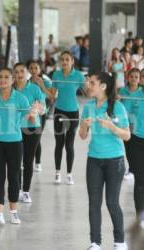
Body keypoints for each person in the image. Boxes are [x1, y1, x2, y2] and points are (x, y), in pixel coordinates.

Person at [79, 72, 130, 250]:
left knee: (112, 202)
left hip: (114, 161)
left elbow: (127, 135)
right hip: (94, 160)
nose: (88, 85)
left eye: (92, 82)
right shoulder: (88, 107)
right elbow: (83, 136)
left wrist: (111, 126)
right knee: (94, 203)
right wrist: (84, 125)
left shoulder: (118, 107)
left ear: (103, 86)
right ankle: (95, 242)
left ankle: (120, 241)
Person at [0, 68, 35, 224]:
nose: (3, 79)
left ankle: (13, 212)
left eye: (7, 77)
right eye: (1, 76)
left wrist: (34, 114)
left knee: (14, 178)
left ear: (13, 80)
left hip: (15, 143)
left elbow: (30, 120)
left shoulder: (20, 98)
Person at [51, 51, 86, 185]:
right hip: (59, 112)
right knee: (59, 143)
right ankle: (57, 172)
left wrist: (89, 84)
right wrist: (42, 85)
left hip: (73, 113)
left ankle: (69, 174)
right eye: (62, 60)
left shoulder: (78, 76)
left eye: (67, 59)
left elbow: (87, 92)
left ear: (72, 61)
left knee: (69, 144)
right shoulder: (56, 75)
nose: (64, 62)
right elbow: (52, 96)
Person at [13, 63, 45, 203]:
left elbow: (43, 107)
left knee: (28, 160)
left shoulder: (35, 89)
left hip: (33, 128)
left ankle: (25, 191)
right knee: (15, 161)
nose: (19, 74)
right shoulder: (9, 89)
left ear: (27, 74)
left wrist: (36, 110)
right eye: (17, 71)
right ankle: (17, 189)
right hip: (13, 129)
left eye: (22, 71)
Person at [27, 60, 53, 172]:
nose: (33, 70)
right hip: (27, 114)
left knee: (37, 137)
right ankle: (26, 160)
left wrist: (42, 85)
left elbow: (52, 96)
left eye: (35, 68)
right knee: (26, 137)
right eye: (31, 68)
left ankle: (37, 162)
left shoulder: (45, 81)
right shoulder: (26, 82)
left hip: (41, 113)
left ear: (40, 69)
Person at [119, 68, 142, 180]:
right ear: (128, 78)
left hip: (139, 126)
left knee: (135, 150)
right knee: (128, 149)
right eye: (131, 76)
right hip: (125, 125)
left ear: (139, 79)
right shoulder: (122, 91)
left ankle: (133, 169)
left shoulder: (142, 92)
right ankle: (132, 169)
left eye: (136, 77)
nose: (133, 79)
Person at [129, 79, 144, 214]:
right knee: (139, 179)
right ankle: (140, 215)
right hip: (137, 141)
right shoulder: (134, 95)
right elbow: (125, 112)